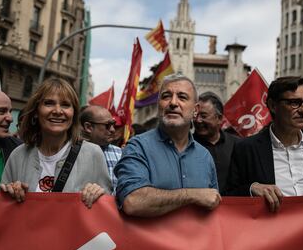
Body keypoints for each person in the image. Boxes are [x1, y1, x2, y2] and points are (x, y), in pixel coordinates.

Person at [225, 77, 303, 212]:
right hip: (269, 231)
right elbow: (228, 197)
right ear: (273, 105)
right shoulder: (246, 148)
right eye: (294, 103)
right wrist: (251, 189)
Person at [115, 74, 221, 217]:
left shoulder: (205, 157)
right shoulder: (137, 147)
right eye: (166, 96)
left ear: (195, 110)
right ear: (158, 105)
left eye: (182, 97)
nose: (173, 103)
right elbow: (133, 201)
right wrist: (192, 194)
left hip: (197, 239)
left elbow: (213, 205)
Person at [0, 78, 112, 208]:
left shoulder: (93, 154)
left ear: (73, 113)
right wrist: (10, 192)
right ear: (36, 112)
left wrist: (98, 194)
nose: (58, 111)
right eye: (49, 103)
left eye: (65, 105)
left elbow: (106, 209)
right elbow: (3, 208)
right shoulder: (18, 155)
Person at [193, 91, 241, 194]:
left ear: (219, 118)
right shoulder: (186, 146)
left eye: (203, 116)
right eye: (196, 115)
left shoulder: (238, 145)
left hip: (231, 208)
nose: (198, 120)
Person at [80, 105, 122, 191]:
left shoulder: (120, 154)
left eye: (113, 124)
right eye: (107, 125)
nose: (113, 129)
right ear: (88, 127)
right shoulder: (72, 153)